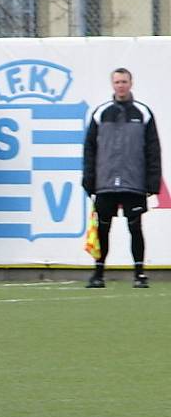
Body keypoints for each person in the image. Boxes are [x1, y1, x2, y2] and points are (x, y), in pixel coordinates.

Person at [82, 67, 162, 288]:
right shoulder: (101, 113)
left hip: (134, 182)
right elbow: (89, 149)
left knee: (135, 228)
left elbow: (153, 150)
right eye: (117, 82)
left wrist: (152, 183)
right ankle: (98, 274)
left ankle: (139, 274)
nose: (121, 86)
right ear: (112, 85)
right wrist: (89, 180)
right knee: (103, 228)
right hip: (105, 182)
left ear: (131, 83)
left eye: (124, 81)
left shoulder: (143, 113)